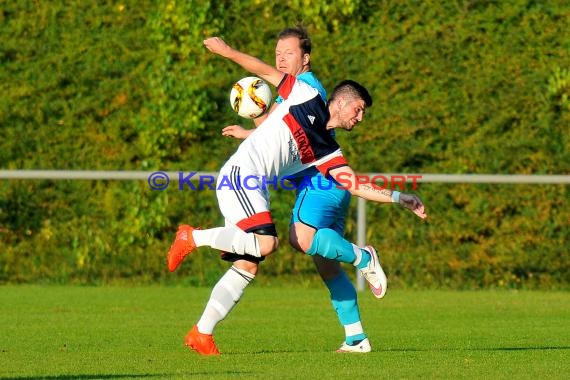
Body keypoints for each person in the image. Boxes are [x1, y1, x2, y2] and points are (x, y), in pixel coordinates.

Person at [167, 35, 427, 356]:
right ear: (341, 102)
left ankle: (201, 333)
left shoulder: (326, 150)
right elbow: (262, 70)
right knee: (269, 243)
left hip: (255, 185)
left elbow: (354, 184)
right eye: (358, 110)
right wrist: (227, 51)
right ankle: (192, 236)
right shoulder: (304, 92)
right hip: (242, 175)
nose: (359, 119)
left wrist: (400, 198)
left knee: (249, 264)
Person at [221, 27, 373, 353]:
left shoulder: (305, 86)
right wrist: (249, 130)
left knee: (299, 238)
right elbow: (278, 131)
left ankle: (364, 257)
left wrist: (228, 51)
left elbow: (266, 81)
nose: (280, 59)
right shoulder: (291, 94)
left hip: (320, 180)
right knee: (326, 265)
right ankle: (356, 338)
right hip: (327, 182)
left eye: (287, 53)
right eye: (278, 53)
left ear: (305, 59)